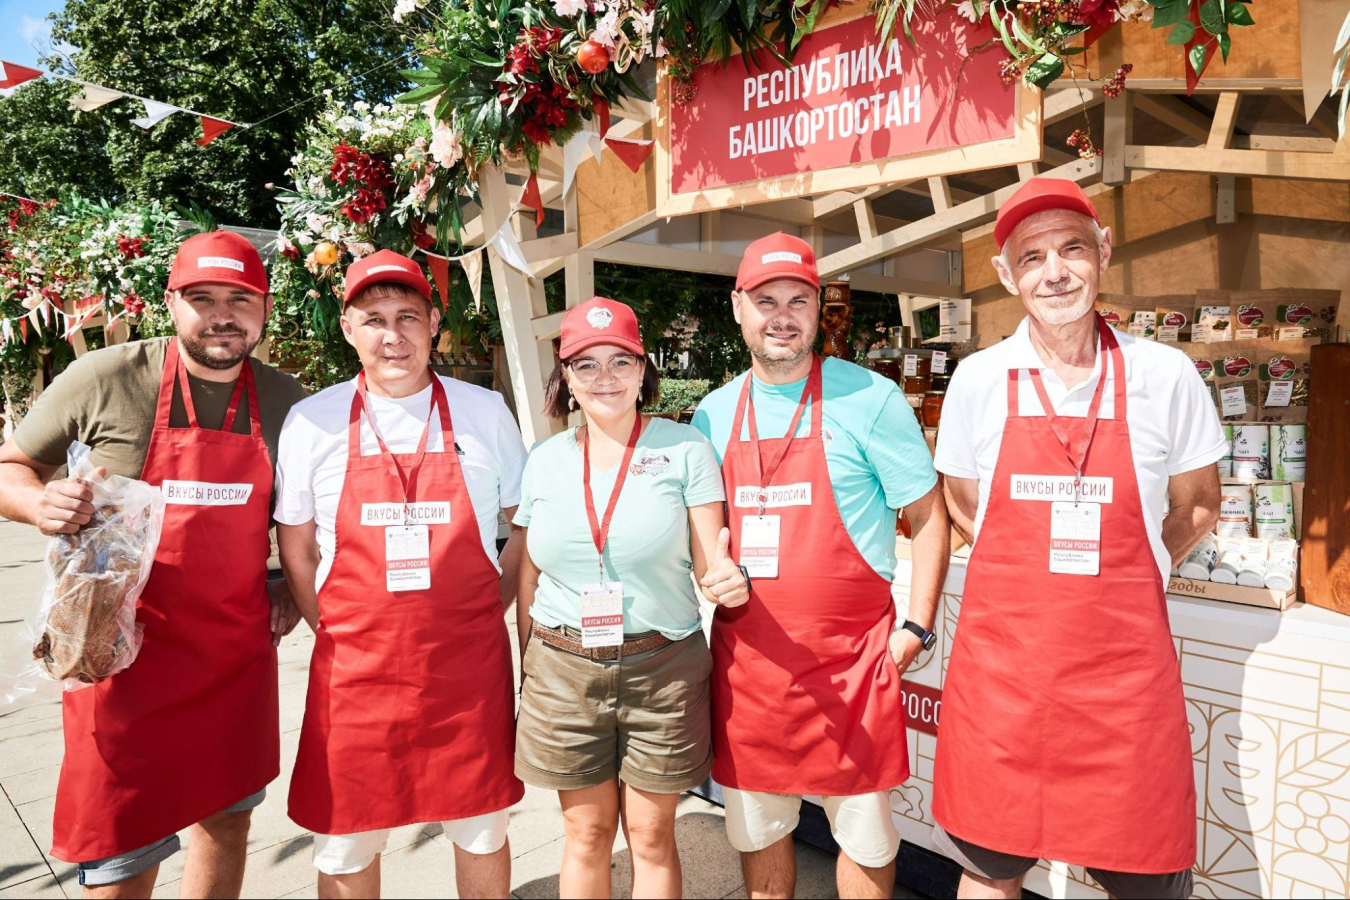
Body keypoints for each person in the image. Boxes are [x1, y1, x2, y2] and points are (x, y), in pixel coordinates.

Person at [930, 178, 1224, 900]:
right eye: (1031, 257)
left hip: (1124, 689)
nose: (1054, 272)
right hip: (1005, 684)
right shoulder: (976, 379)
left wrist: (1126, 572)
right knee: (989, 872)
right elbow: (964, 505)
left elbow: (1197, 506)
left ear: (1104, 252)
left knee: (1147, 881)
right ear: (1006, 275)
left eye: (1072, 249)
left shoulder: (1166, 374)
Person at [0, 231, 307, 899]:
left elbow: (301, 514)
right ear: (170, 303)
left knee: (227, 820)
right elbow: (10, 468)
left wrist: (284, 579)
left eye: (240, 299)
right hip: (116, 661)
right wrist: (38, 503)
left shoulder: (289, 402)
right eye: (202, 299)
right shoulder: (105, 377)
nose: (222, 315)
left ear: (264, 308)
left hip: (231, 657)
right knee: (120, 847)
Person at [691, 233, 950, 900]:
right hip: (751, 670)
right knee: (759, 835)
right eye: (766, 301)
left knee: (866, 842)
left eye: (798, 301)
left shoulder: (872, 398)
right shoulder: (713, 413)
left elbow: (928, 515)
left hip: (852, 668)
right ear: (737, 308)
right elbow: (704, 535)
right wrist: (709, 570)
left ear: (819, 310)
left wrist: (916, 627)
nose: (782, 316)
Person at [273, 249, 525, 899]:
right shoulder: (313, 420)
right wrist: (334, 626)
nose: (393, 335)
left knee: (482, 829)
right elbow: (295, 544)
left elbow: (525, 523)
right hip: (355, 673)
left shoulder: (483, 411)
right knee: (346, 838)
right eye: (374, 319)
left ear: (434, 323)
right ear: (348, 329)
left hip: (466, 670)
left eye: (408, 317)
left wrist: (489, 605)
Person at [513, 296, 749, 900]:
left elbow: (711, 563)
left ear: (644, 370)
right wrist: (529, 663)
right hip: (563, 668)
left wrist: (727, 579)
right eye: (586, 364)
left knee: (650, 835)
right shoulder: (544, 460)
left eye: (621, 360)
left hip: (662, 668)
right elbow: (529, 575)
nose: (605, 377)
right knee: (586, 833)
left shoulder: (685, 448)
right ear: (566, 379)